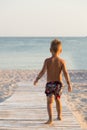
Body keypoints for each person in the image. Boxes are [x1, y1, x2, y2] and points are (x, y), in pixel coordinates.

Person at [34, 39, 72, 125]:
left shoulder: (47, 61)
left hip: (50, 84)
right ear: (61, 51)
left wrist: (37, 79)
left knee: (49, 101)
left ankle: (50, 119)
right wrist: (69, 84)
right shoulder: (62, 61)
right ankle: (59, 116)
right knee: (58, 99)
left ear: (50, 50)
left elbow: (42, 72)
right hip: (58, 84)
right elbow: (66, 73)